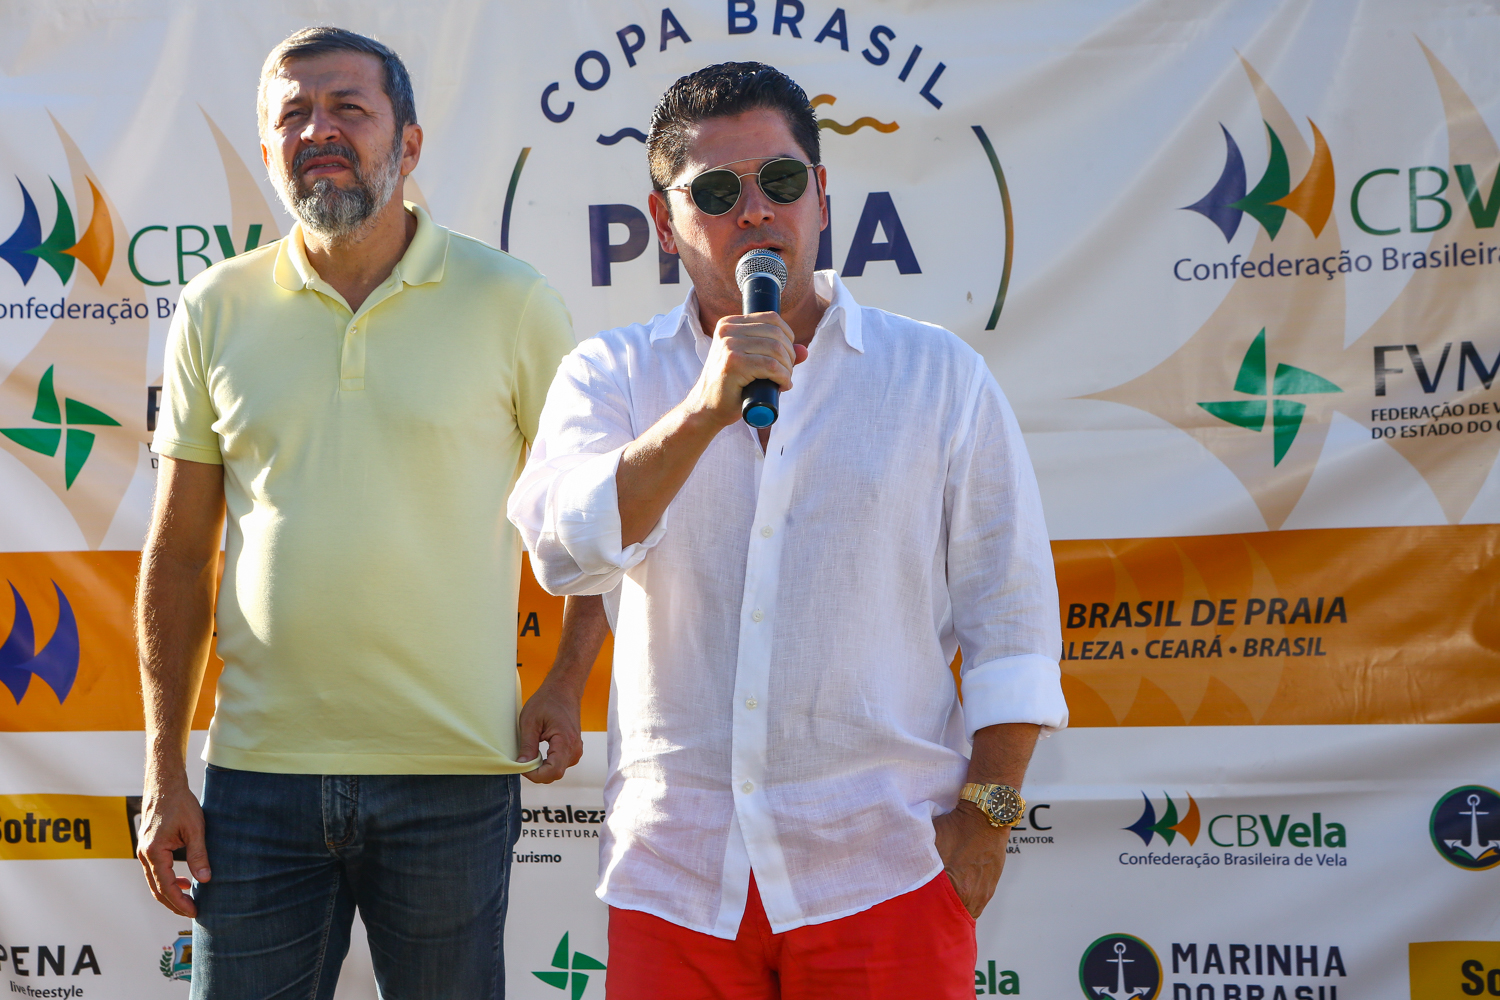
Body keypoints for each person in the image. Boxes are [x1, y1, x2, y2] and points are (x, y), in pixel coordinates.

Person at [509, 62, 1069, 999]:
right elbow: (567, 551)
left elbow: (1011, 625)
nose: (757, 210)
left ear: (822, 196)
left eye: (780, 180)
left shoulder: (939, 376)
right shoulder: (610, 376)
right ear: (664, 223)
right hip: (676, 881)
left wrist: (986, 825)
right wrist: (703, 410)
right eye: (717, 193)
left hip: (887, 872)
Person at [134, 26, 582, 1000]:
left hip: (454, 773)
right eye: (293, 114)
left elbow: (589, 514)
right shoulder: (213, 308)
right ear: (267, 150)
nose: (318, 130)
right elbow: (178, 556)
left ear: (409, 143)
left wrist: (568, 676)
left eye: (348, 108)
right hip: (257, 780)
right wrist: (164, 770)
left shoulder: (512, 303)